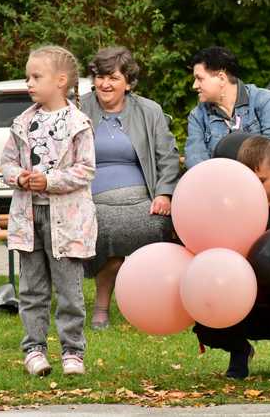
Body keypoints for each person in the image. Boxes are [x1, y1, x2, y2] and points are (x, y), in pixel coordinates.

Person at [0, 45, 96, 376]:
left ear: (60, 80)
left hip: (66, 222)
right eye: (28, 76)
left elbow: (86, 170)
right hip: (29, 218)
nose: (28, 82)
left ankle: (72, 352)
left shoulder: (78, 124)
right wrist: (19, 177)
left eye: (35, 76)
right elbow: (7, 163)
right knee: (32, 289)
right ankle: (34, 350)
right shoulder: (22, 123)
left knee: (69, 290)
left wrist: (49, 180)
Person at [193, 136, 270, 379]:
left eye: (261, 181)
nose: (253, 187)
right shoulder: (227, 212)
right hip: (237, 301)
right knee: (205, 325)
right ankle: (240, 351)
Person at [80, 47, 180, 330]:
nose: (104, 84)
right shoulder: (77, 109)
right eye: (99, 77)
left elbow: (168, 157)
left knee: (155, 226)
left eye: (112, 77)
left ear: (128, 81)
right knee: (105, 228)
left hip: (142, 200)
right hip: (92, 202)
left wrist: (164, 193)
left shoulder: (149, 111)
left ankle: (151, 304)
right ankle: (101, 307)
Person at [185, 46, 270, 200]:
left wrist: (245, 180)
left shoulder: (264, 101)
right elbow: (195, 160)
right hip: (223, 194)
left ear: (222, 78)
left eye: (200, 78)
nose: (194, 85)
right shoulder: (198, 115)